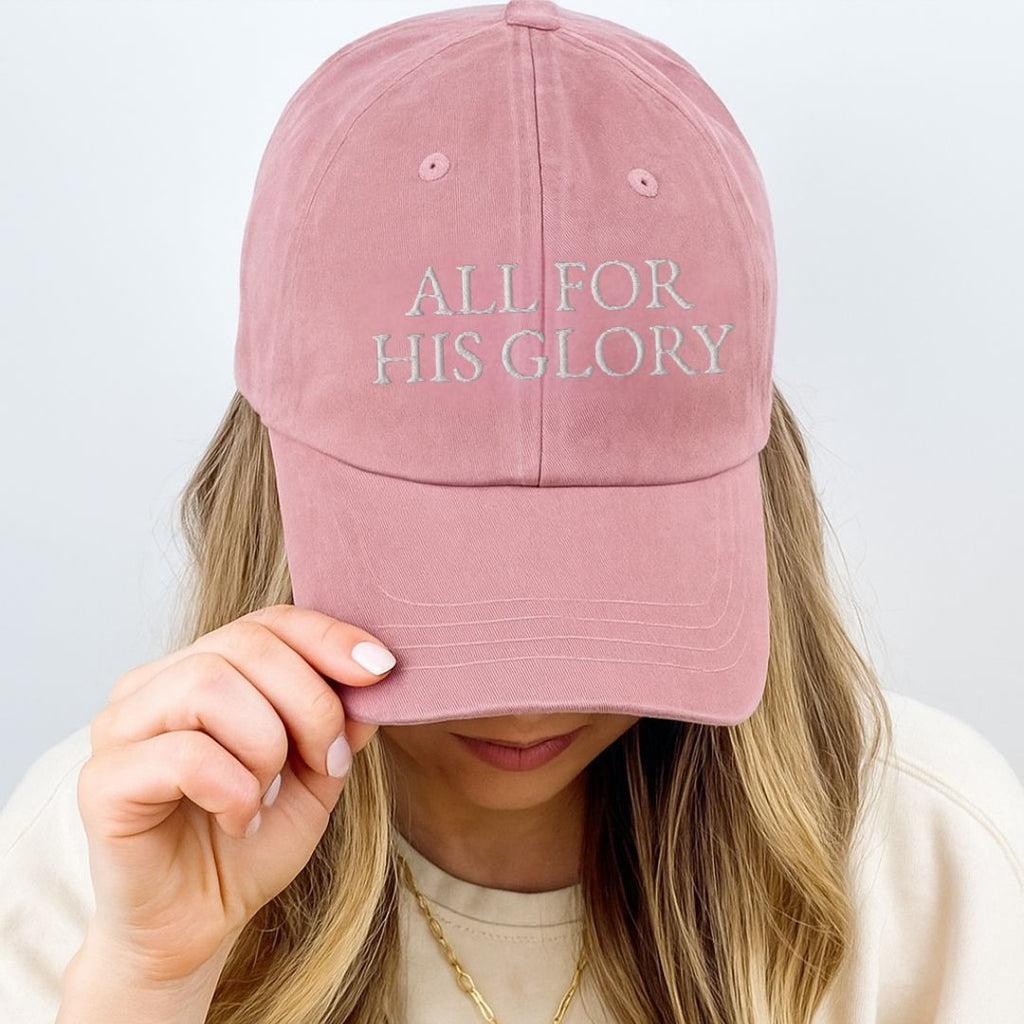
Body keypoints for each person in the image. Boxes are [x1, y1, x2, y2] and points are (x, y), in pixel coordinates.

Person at [2, 2, 1023, 1022]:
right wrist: (149, 984)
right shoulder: (103, 857)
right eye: (450, 575)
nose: (527, 703)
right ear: (270, 485)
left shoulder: (934, 857)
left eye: (613, 571)